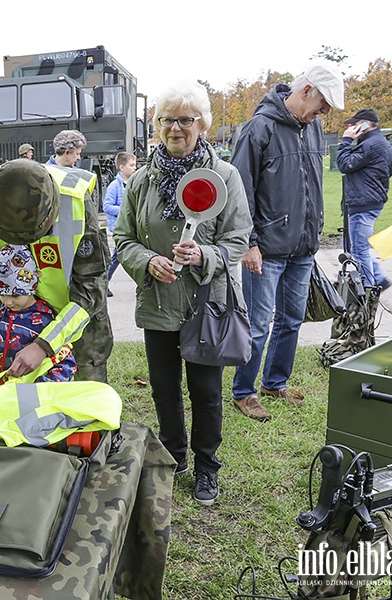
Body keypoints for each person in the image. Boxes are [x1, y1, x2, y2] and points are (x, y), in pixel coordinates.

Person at [114, 80, 252, 506]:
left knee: (207, 393)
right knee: (164, 388)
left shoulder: (224, 177)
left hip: (206, 305)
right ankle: (174, 458)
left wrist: (204, 255)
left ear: (203, 125)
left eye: (186, 120)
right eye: (167, 119)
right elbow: (123, 238)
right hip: (158, 303)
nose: (176, 127)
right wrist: (147, 261)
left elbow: (238, 238)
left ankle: (207, 466)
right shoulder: (140, 181)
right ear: (156, 125)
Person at [230, 61, 344, 422]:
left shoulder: (314, 128)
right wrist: (249, 243)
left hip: (303, 247)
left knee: (292, 319)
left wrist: (314, 232)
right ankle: (244, 391)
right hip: (266, 248)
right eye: (323, 103)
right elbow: (240, 191)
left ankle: (274, 382)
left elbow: (312, 186)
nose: (324, 112)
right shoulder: (258, 129)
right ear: (306, 90)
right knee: (258, 323)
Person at [0, 157, 112, 383]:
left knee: (82, 405)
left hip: (76, 325)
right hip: (15, 321)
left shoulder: (74, 201)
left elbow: (91, 286)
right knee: (17, 407)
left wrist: (44, 345)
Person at [0, 244, 76, 383]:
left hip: (33, 395)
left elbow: (67, 362)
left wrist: (45, 385)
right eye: (1, 294)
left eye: (15, 295)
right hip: (1, 394)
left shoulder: (47, 319)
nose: (8, 302)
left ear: (31, 287)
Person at [337, 108, 392, 289]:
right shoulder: (380, 143)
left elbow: (344, 164)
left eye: (354, 124)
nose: (350, 127)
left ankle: (368, 288)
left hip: (363, 203)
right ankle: (378, 278)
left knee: (358, 249)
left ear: (365, 124)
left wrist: (346, 140)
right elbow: (390, 170)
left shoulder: (371, 145)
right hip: (367, 201)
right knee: (351, 244)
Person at [102, 151, 137, 297]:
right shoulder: (114, 186)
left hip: (133, 227)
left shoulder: (134, 183)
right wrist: (125, 209)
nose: (134, 168)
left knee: (133, 255)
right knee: (118, 257)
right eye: (131, 165)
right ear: (121, 167)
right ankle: (104, 283)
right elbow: (107, 206)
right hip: (120, 229)